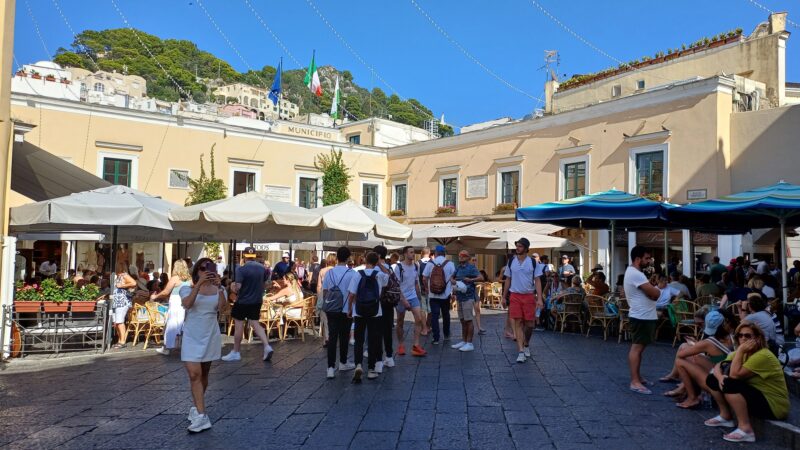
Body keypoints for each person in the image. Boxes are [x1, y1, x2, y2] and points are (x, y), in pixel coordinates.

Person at [703, 322, 789, 443]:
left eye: (748, 336)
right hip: (756, 395)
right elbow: (719, 365)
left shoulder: (763, 355)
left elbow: (734, 375)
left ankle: (746, 429)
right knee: (712, 379)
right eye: (740, 335)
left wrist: (740, 351)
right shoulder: (741, 353)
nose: (743, 338)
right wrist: (719, 377)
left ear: (758, 338)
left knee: (730, 383)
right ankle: (725, 415)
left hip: (774, 405)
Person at [180, 258, 226, 433]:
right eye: (202, 268)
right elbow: (187, 304)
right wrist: (198, 285)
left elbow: (223, 309)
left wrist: (221, 288)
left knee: (204, 374)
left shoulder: (218, 290)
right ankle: (202, 416)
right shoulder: (186, 289)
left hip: (210, 334)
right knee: (194, 374)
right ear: (196, 271)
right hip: (192, 334)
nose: (206, 271)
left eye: (209, 268)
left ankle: (196, 408)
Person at [663, 310, 734, 408]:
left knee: (680, 360)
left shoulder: (709, 342)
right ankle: (683, 387)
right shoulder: (731, 337)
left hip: (717, 381)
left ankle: (692, 397)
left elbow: (681, 355)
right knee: (693, 356)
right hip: (727, 375)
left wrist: (696, 346)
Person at [222, 246, 273, 362]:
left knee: (239, 324)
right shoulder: (262, 268)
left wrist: (232, 285)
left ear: (244, 256)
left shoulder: (241, 269)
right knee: (255, 324)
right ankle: (266, 346)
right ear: (254, 256)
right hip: (257, 301)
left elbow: (237, 288)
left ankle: (236, 351)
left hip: (243, 301)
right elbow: (266, 284)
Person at [625, 246, 662, 395]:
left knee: (639, 349)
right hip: (641, 316)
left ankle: (638, 377)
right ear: (638, 259)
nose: (649, 261)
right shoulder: (636, 274)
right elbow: (654, 293)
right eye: (647, 258)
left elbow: (651, 294)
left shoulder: (635, 273)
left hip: (643, 315)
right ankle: (634, 381)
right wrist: (657, 290)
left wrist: (653, 293)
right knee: (637, 348)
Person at [348, 251, 389, 383]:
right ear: (376, 261)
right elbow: (388, 278)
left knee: (359, 340)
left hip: (359, 311)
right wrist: (381, 265)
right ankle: (371, 369)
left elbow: (351, 294)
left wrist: (349, 308)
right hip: (375, 311)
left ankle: (358, 365)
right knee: (373, 340)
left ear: (365, 260)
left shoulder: (357, 275)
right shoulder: (380, 275)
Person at [503, 237, 544, 364]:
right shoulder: (511, 262)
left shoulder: (533, 262)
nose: (517, 248)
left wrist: (540, 298)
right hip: (515, 295)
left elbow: (537, 280)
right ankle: (521, 351)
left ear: (526, 249)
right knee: (518, 322)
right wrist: (504, 296)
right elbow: (508, 279)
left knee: (530, 324)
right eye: (517, 246)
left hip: (529, 295)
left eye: (520, 246)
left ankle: (526, 344)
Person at [322, 247, 357, 378]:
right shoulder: (352, 273)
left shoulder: (329, 273)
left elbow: (325, 292)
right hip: (346, 309)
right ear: (348, 258)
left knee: (332, 337)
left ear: (337, 257)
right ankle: (343, 362)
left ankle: (330, 367)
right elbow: (354, 294)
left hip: (331, 309)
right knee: (344, 336)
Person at [150, 260, 192, 356]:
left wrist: (155, 296)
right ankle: (183, 346)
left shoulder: (175, 278)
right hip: (186, 302)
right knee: (183, 324)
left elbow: (166, 292)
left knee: (172, 324)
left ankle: (167, 347)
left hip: (176, 302)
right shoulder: (190, 279)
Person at [394, 246, 426, 357]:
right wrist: (403, 300)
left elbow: (416, 283)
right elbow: (396, 286)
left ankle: (416, 346)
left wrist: (419, 297)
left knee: (419, 319)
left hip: (413, 296)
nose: (413, 254)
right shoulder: (398, 267)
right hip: (401, 297)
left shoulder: (416, 266)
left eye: (413, 252)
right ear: (405, 254)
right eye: (411, 252)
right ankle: (401, 344)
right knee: (400, 322)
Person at [422, 245, 456, 345]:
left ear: (435, 253)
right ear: (444, 253)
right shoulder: (450, 264)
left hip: (433, 295)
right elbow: (453, 279)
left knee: (434, 316)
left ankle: (436, 338)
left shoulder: (430, 263)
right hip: (445, 295)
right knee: (446, 315)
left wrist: (427, 288)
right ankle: (446, 335)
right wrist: (454, 292)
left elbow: (424, 278)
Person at [452, 250, 482, 352]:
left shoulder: (471, 268)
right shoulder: (458, 268)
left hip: (468, 297)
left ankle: (469, 343)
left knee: (468, 320)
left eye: (463, 256)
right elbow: (452, 277)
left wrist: (471, 280)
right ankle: (464, 341)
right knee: (462, 320)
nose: (460, 257)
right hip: (459, 297)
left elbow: (481, 277)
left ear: (468, 258)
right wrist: (453, 281)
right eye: (459, 255)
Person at [373, 245, 395, 372]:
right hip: (388, 302)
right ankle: (389, 357)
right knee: (387, 331)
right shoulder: (389, 267)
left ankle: (378, 361)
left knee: (377, 332)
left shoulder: (373, 269)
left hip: (376, 303)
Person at [110, 261, 136, 349]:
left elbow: (133, 283)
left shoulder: (124, 275)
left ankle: (122, 341)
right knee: (116, 322)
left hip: (122, 302)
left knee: (120, 322)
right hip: (116, 302)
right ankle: (119, 340)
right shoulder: (117, 276)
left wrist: (122, 285)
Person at [316, 253, 338, 347]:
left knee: (324, 320)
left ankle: (326, 339)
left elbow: (319, 286)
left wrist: (319, 297)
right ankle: (333, 338)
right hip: (335, 297)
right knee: (334, 319)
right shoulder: (337, 271)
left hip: (324, 295)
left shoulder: (322, 270)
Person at [418, 247, 432, 336]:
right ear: (429, 252)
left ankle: (424, 328)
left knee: (422, 309)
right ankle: (428, 326)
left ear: (421, 253)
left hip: (421, 288)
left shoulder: (418, 263)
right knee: (430, 309)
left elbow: (417, 277)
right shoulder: (433, 262)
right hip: (432, 289)